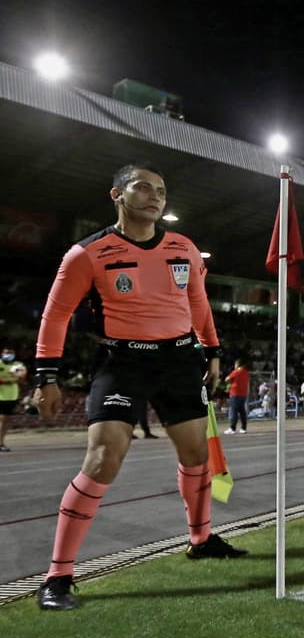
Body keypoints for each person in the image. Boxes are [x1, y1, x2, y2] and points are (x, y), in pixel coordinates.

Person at [31, 162, 247, 611]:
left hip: (179, 359)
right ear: (117, 195)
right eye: (143, 188)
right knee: (103, 458)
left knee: (196, 456)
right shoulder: (87, 253)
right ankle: (57, 576)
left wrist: (212, 349)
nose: (155, 197)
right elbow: (56, 316)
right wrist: (46, 376)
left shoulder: (184, 248)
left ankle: (201, 539)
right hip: (122, 361)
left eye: (162, 191)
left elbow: (197, 302)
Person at [0, 347, 28, 452]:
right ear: (2, 353)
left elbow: (22, 377)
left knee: (6, 420)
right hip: (0, 396)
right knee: (2, 419)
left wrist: (22, 375)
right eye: (6, 352)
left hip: (12, 396)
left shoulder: (18, 365)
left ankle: (1, 442)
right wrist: (8, 380)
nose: (8, 355)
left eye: (11, 353)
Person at [225, 358, 251, 434]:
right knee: (242, 411)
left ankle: (232, 428)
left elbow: (227, 379)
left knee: (234, 411)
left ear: (237, 364)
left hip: (235, 394)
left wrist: (230, 383)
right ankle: (243, 428)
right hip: (243, 394)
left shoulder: (236, 372)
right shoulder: (246, 372)